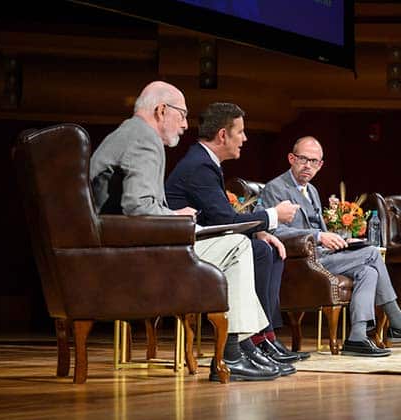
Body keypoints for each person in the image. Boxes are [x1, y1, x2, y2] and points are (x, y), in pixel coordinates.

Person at [89, 80, 280, 381]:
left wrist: (172, 214)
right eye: (181, 115)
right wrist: (177, 218)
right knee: (238, 246)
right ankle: (236, 350)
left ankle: (241, 347)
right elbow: (138, 208)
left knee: (236, 245)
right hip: (136, 253)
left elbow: (138, 204)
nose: (184, 125)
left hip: (127, 245)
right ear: (161, 110)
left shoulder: (128, 134)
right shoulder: (143, 139)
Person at [260, 136, 401, 357]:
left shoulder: (312, 190)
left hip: (323, 255)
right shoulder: (276, 188)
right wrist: (318, 236)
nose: (308, 166)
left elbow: (323, 231)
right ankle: (397, 320)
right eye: (303, 159)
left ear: (321, 165)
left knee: (368, 271)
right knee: (372, 254)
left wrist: (341, 239)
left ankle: (357, 336)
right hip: (301, 261)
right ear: (291, 158)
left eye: (314, 161)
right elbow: (273, 232)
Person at [165, 102, 310, 368]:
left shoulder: (205, 161)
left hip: (203, 244)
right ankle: (243, 344)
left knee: (265, 248)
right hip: (181, 254)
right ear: (223, 134)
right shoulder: (199, 165)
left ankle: (261, 337)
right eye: (240, 132)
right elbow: (226, 220)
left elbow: (217, 219)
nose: (244, 139)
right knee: (253, 249)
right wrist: (274, 215)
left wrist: (260, 231)